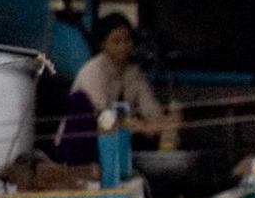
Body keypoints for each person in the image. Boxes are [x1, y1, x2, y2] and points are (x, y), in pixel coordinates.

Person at [57, 13, 176, 163]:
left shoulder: (133, 73)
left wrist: (163, 122)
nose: (124, 47)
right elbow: (104, 117)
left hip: (117, 142)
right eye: (116, 41)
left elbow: (150, 108)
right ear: (103, 44)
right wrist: (140, 126)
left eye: (127, 40)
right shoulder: (93, 70)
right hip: (84, 141)